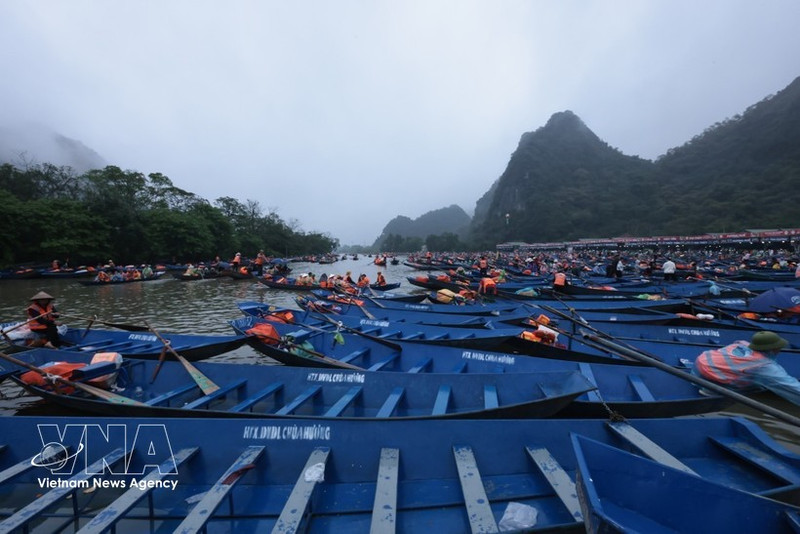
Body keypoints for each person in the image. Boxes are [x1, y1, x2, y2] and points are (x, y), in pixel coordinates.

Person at [693, 331, 800, 406]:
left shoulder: (740, 345)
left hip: (698, 367)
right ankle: (714, 391)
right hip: (711, 380)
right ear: (774, 348)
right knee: (760, 384)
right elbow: (790, 386)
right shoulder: (762, 366)